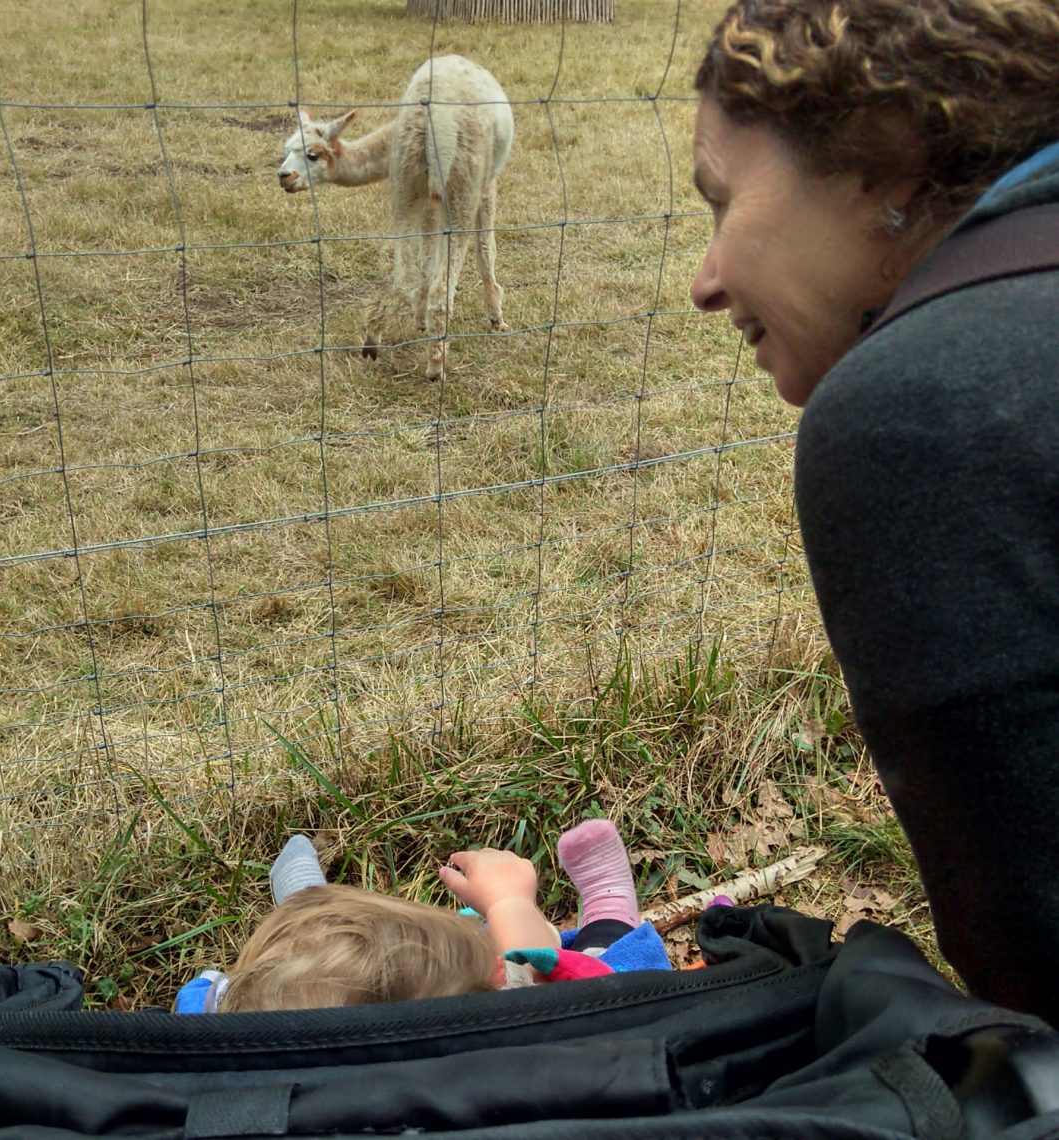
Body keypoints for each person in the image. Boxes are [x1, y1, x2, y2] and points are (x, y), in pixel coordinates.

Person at [689, 0, 1058, 1025]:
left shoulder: (922, 411)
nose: (705, 283)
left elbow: (1036, 954)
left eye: (722, 202)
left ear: (884, 162)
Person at [174, 820, 672, 1013]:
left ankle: (309, 907)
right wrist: (509, 903)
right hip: (571, 1013)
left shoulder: (226, 1051)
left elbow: (213, 998)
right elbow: (544, 997)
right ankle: (610, 908)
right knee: (614, 971)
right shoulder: (489, 1053)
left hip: (276, 1030)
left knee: (293, 972)